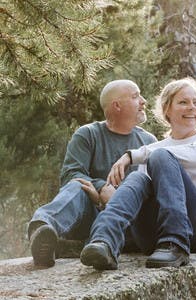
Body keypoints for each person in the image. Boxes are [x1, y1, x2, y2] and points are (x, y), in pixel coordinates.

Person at [80, 77, 196, 270]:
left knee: (161, 157)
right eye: (183, 102)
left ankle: (176, 243)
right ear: (167, 110)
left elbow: (173, 155)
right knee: (138, 177)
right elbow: (142, 198)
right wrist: (106, 199)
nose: (192, 107)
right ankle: (103, 242)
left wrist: (132, 155)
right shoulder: (151, 150)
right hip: (154, 238)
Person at [28, 79, 157, 267]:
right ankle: (41, 232)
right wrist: (101, 191)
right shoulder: (88, 134)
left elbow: (153, 186)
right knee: (76, 186)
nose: (143, 101)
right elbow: (72, 174)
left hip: (128, 222)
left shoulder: (148, 141)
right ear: (117, 105)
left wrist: (118, 198)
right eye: (136, 96)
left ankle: (83, 246)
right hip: (90, 214)